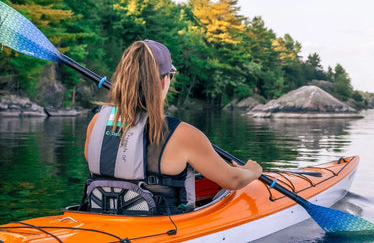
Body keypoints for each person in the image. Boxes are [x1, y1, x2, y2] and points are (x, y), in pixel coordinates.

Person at [83, 40, 262, 215]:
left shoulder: (96, 122)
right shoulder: (183, 135)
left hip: (102, 224)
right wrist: (252, 170)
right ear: (163, 81)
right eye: (170, 75)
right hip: (160, 230)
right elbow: (233, 180)